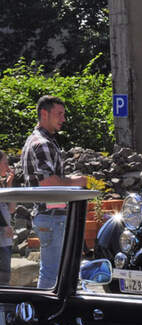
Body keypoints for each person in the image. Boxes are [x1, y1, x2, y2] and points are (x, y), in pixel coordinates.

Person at [21, 95, 86, 288]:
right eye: (59, 114)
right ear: (44, 114)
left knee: (52, 272)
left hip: (47, 216)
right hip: (53, 216)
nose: (63, 119)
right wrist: (76, 181)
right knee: (53, 273)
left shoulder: (34, 140)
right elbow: (48, 182)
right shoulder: (43, 144)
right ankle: (44, 315)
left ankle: (48, 313)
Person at [0, 150, 14, 285]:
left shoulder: (2, 185)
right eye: (5, 163)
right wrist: (4, 225)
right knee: (3, 278)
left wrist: (9, 184)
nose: (8, 166)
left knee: (5, 277)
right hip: (2, 237)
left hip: (5, 239)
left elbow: (11, 209)